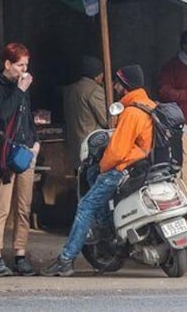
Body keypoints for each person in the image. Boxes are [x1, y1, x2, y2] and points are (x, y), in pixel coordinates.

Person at [41, 65, 154, 277]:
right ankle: (109, 232)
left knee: (86, 205)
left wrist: (103, 167)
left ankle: (66, 260)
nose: (114, 86)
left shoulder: (131, 112)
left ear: (126, 85)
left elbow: (117, 151)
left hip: (123, 168)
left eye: (118, 82)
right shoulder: (150, 105)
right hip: (143, 167)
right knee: (98, 194)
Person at [0, 43, 40, 277]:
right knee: (0, 205)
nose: (24, 70)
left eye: (26, 65)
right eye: (19, 65)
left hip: (26, 151)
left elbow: (27, 118)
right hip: (5, 152)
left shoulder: (23, 87)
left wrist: (36, 142)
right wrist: (19, 90)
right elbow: (0, 115)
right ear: (7, 64)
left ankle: (20, 253)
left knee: (23, 207)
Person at [62, 56, 107, 170]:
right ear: (98, 75)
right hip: (91, 146)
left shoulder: (71, 89)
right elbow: (106, 120)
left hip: (74, 145)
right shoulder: (94, 90)